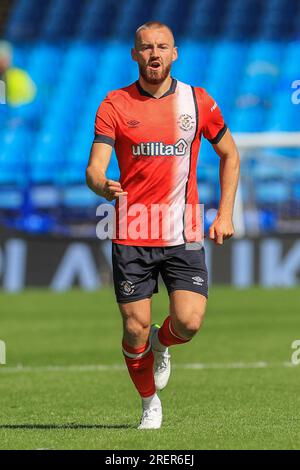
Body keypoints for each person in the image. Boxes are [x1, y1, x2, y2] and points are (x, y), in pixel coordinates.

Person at [86, 21, 240, 429]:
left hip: (183, 230)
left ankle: (163, 341)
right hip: (132, 229)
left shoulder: (197, 102)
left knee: (188, 323)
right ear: (134, 55)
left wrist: (225, 213)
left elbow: (230, 154)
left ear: (175, 54)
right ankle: (149, 403)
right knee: (134, 328)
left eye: (162, 47)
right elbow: (95, 168)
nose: (154, 54)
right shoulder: (114, 104)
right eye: (146, 47)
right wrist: (100, 184)